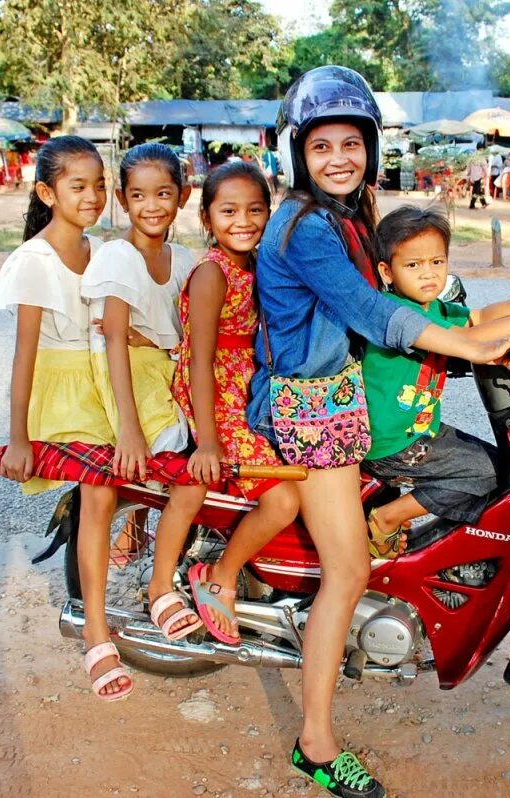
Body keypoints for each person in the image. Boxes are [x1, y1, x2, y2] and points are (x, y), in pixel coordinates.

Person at [248, 65, 510, 798]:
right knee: (347, 571)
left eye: (352, 142)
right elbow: (373, 314)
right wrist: (473, 346)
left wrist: (503, 314)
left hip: (348, 394)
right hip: (313, 407)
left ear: (371, 148)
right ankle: (315, 744)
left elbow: (410, 283)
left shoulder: (355, 213)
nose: (338, 157)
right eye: (322, 147)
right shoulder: (307, 227)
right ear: (296, 155)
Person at [0, 136, 129, 702]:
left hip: (105, 379)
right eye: (79, 186)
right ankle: (97, 634)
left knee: (161, 455)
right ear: (49, 192)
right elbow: (24, 355)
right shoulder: (33, 261)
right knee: (99, 491)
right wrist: (17, 438)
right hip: (64, 390)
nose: (93, 195)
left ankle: (130, 532)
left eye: (100, 185)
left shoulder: (101, 251)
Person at [360, 205, 510, 553]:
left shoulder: (433, 307)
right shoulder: (398, 313)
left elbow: (477, 318)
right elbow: (469, 341)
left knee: (504, 467)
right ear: (387, 271)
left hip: (420, 430)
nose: (427, 274)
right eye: (413, 265)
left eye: (436, 263)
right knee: (487, 473)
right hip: (392, 443)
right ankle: (388, 516)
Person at [80, 142, 206, 642]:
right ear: (121, 198)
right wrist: (128, 432)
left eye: (163, 194)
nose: (151, 206)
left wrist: (157, 342)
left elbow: (177, 333)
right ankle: (157, 585)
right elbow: (113, 338)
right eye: (138, 196)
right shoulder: (118, 256)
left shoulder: (186, 260)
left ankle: (139, 532)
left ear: (183, 196)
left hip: (163, 368)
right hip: (126, 377)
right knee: (182, 462)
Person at [173, 161, 301, 644]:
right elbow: (198, 361)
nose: (243, 221)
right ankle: (221, 576)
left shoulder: (257, 263)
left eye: (255, 209)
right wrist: (207, 441)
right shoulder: (213, 273)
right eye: (228, 211)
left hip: (246, 384)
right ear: (207, 218)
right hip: (215, 390)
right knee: (283, 497)